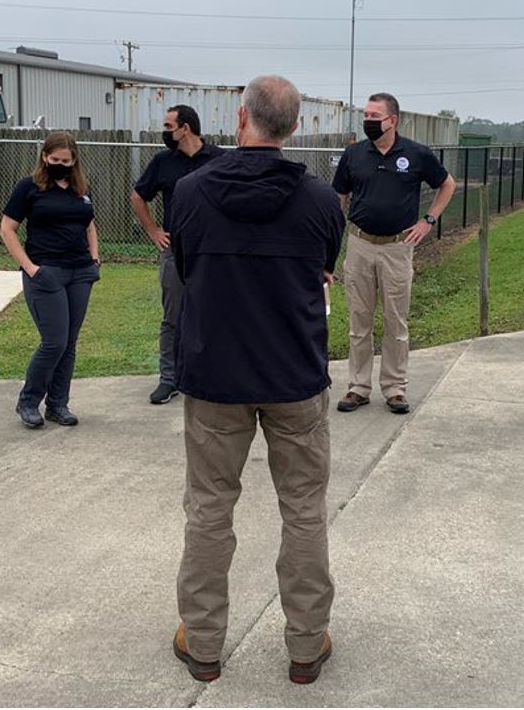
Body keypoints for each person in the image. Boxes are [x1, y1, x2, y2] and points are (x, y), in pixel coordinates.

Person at [169, 75, 344, 685]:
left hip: (216, 378)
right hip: (294, 377)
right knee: (303, 510)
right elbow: (324, 269)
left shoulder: (190, 194)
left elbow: (187, 266)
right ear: (294, 127)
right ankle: (305, 643)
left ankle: (205, 641)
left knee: (209, 510)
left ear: (241, 120)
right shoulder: (321, 201)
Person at [331, 92, 456, 415]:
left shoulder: (416, 154)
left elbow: (447, 184)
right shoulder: (354, 154)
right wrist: (332, 233)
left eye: (375, 116)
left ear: (393, 120)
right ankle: (358, 387)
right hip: (359, 244)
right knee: (359, 321)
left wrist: (428, 221)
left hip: (398, 248)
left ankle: (395, 388)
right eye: (366, 115)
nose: (369, 121)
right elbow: (339, 197)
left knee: (395, 321)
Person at [0, 132, 101, 430]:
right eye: (55, 160)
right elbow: (7, 229)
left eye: (66, 161)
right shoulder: (29, 187)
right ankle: (29, 401)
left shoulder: (80, 188)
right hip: (46, 272)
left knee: (69, 343)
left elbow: (89, 226)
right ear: (45, 157)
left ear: (74, 161)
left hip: (80, 272)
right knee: (53, 342)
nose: (60, 164)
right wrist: (30, 268)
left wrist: (94, 258)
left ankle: (58, 404)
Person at [130, 105, 225, 405]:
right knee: (173, 317)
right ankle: (169, 379)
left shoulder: (220, 159)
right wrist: (153, 230)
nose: (165, 132)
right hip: (175, 251)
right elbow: (138, 195)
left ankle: (211, 374)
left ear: (186, 128)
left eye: (169, 126)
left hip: (212, 252)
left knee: (214, 312)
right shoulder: (163, 162)